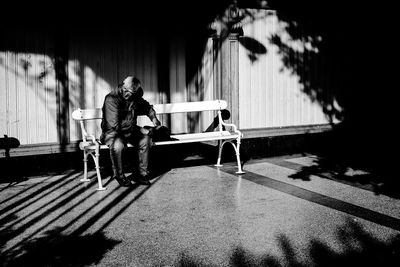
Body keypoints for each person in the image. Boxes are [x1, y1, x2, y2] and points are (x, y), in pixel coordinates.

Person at [100, 76, 161, 186]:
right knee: (118, 146)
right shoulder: (111, 99)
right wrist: (141, 129)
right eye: (125, 90)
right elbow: (114, 125)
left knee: (145, 140)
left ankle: (141, 174)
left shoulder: (135, 96)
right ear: (122, 87)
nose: (127, 94)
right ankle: (119, 175)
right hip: (112, 133)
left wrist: (153, 117)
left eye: (131, 92)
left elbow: (146, 106)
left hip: (130, 131)